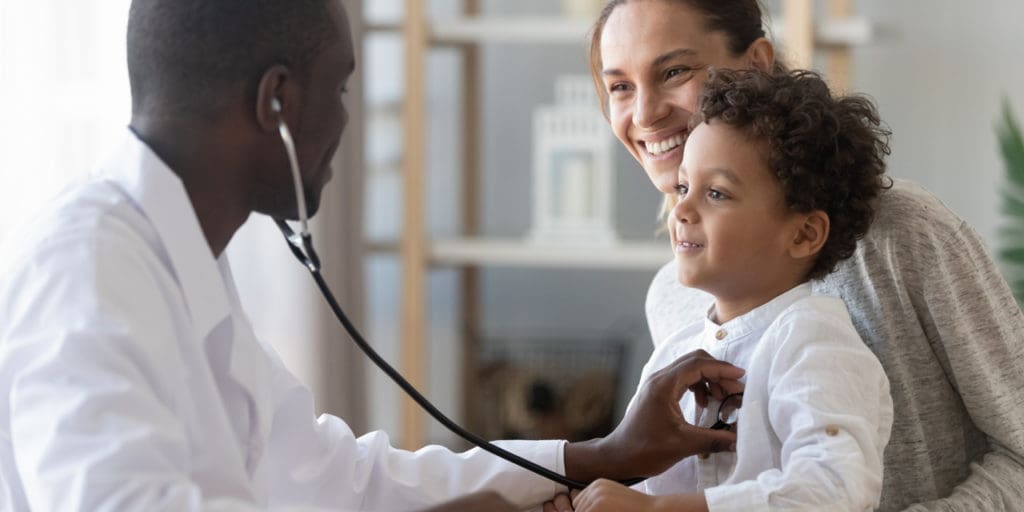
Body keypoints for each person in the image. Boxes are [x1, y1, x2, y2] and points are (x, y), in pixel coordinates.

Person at [0, 1, 748, 511]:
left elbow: (343, 478)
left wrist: (606, 455)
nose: (348, 122)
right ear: (278, 104)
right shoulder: (86, 270)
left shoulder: (182, 264)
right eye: (342, 90)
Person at [544, 0, 1024, 511]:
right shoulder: (676, 297)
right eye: (620, 85)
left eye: (674, 71)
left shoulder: (904, 235)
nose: (644, 113)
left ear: (756, 63)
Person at [579, 66, 896, 510]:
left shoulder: (815, 345)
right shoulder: (675, 353)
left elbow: (832, 489)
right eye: (685, 186)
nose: (681, 209)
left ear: (804, 234)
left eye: (717, 194)